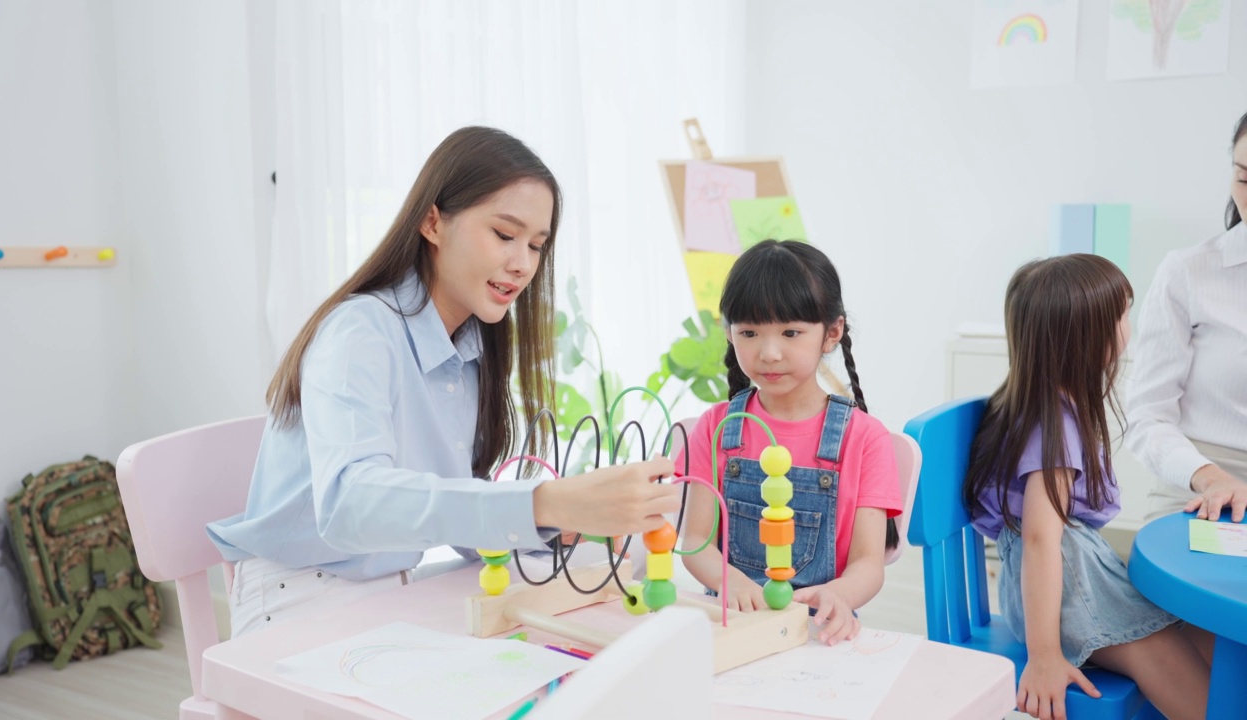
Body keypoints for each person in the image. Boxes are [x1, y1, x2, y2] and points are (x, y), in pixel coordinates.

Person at [207, 126, 679, 637]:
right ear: (432, 222)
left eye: (536, 245)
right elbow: (350, 504)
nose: (522, 265)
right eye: (504, 234)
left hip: (392, 589)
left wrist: (559, 524)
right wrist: (544, 501)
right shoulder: (358, 333)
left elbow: (451, 507)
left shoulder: (470, 346)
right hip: (295, 599)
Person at [964, 255, 1211, 720]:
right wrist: (1044, 655)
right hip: (1064, 590)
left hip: (1073, 575)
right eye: (1121, 315)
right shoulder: (1053, 423)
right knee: (1172, 661)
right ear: (1087, 338)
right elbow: (1040, 540)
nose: (1128, 326)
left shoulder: (1050, 402)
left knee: (1204, 638)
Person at [676, 240, 902, 645]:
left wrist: (840, 595)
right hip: (731, 623)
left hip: (819, 631)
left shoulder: (865, 438)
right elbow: (695, 541)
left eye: (791, 332)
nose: (769, 352)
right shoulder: (714, 427)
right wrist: (732, 583)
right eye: (749, 332)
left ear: (832, 332)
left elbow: (869, 563)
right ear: (730, 333)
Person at [1127, 110, 1247, 524]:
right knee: (1208, 588)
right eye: (1244, 178)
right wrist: (1209, 477)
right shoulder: (1188, 272)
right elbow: (1148, 415)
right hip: (1201, 484)